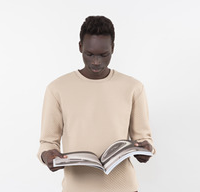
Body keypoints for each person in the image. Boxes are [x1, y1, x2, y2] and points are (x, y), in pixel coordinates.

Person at [37, 15, 156, 192]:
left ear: (113, 48)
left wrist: (145, 150)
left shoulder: (133, 87)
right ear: (80, 47)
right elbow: (47, 142)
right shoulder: (57, 89)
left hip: (123, 188)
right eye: (90, 54)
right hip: (77, 188)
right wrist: (48, 156)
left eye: (103, 55)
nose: (96, 61)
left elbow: (144, 138)